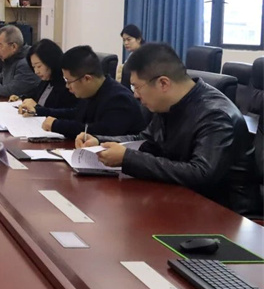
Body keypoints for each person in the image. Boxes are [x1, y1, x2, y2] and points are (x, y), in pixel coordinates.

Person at [77, 43, 262, 217]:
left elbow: (201, 174)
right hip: (184, 202)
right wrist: (100, 142)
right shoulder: (169, 104)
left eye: (137, 87)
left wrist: (127, 159)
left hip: (226, 217)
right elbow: (144, 140)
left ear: (163, 83)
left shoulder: (215, 115)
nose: (135, 94)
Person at [35, 45, 145, 139]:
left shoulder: (119, 99)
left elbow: (101, 132)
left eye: (69, 81)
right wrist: (41, 111)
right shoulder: (93, 91)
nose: (67, 86)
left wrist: (57, 125)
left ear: (87, 79)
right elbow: (76, 114)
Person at [15, 39, 78, 116]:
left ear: (50, 62)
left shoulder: (66, 85)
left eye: (39, 66)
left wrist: (37, 108)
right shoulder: (45, 81)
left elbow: (64, 113)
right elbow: (34, 97)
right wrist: (21, 98)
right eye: (33, 67)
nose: (36, 71)